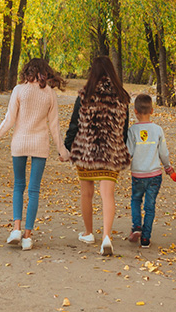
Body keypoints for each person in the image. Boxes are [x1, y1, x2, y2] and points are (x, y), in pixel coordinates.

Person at [0, 58, 69, 251]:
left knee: (18, 186)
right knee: (34, 190)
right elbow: (54, 126)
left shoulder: (18, 90)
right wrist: (62, 151)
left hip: (19, 143)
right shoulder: (49, 94)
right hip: (40, 144)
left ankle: (16, 229)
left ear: (26, 71)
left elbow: (9, 120)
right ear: (45, 72)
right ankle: (28, 236)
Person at [64, 56, 130, 256]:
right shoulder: (122, 96)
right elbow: (124, 128)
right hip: (111, 152)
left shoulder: (84, 95)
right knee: (107, 194)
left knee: (87, 193)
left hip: (86, 151)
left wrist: (68, 146)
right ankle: (107, 237)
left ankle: (89, 232)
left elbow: (74, 123)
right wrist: (121, 147)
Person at [126, 94, 174, 248]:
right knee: (150, 206)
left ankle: (137, 226)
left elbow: (129, 152)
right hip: (154, 174)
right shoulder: (158, 130)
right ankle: (146, 238)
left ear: (135, 111)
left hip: (138, 174)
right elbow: (163, 153)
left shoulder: (132, 130)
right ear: (152, 110)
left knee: (135, 200)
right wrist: (168, 168)